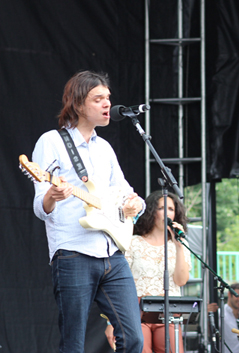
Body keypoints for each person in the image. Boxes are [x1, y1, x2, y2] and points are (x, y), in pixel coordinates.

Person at [32, 70, 145, 353]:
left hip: (112, 254)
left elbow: (126, 193)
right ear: (79, 104)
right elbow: (39, 205)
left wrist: (136, 205)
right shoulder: (51, 142)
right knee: (74, 343)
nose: (107, 104)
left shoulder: (104, 148)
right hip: (73, 252)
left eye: (108, 98)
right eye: (98, 99)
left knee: (133, 338)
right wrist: (52, 195)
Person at [104, 190, 192, 353]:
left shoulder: (180, 245)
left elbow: (181, 280)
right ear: (151, 211)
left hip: (168, 310)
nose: (167, 213)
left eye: (171, 209)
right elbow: (117, 284)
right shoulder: (133, 242)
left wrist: (179, 246)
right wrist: (111, 322)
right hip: (136, 309)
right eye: (161, 208)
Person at [207, 283, 239, 353]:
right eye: (237, 296)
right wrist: (208, 314)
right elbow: (210, 332)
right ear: (229, 294)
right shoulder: (221, 313)